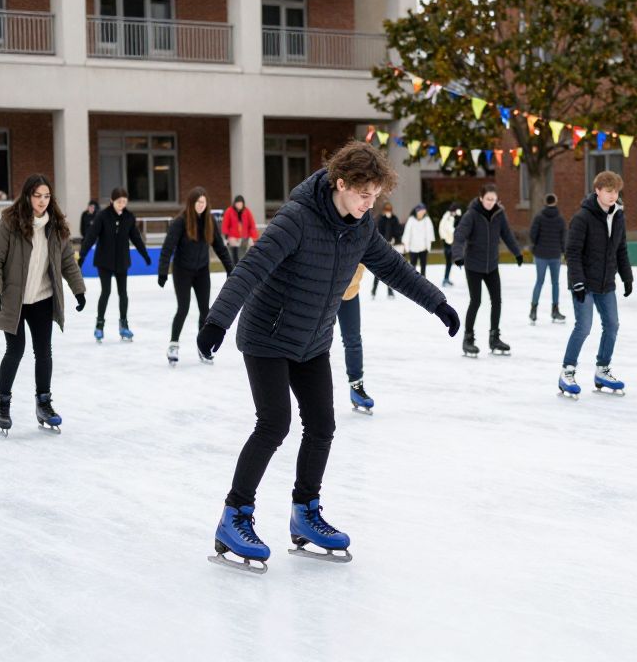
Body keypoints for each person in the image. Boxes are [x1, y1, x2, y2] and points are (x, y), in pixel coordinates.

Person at [195, 140, 459, 570]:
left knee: (322, 425)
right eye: (363, 194)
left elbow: (394, 268)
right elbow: (252, 266)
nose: (369, 203)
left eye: (375, 195)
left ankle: (305, 513)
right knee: (274, 422)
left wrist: (438, 303)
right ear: (341, 184)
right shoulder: (297, 219)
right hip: (268, 336)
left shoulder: (362, 226)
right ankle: (234, 516)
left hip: (313, 340)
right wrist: (217, 321)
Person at [0, 173, 86, 435]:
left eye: (46, 196)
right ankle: (1, 403)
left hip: (42, 298)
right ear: (28, 196)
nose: (42, 201)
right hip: (14, 300)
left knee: (44, 352)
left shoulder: (57, 226)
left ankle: (44, 403)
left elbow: (67, 262)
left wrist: (78, 290)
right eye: (37, 196)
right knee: (15, 350)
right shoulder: (9, 223)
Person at [557, 172, 632, 398]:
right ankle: (567, 371)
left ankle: (602, 370)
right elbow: (573, 252)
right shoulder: (582, 218)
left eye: (616, 192)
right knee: (584, 326)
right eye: (608, 191)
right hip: (584, 283)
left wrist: (627, 277)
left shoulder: (618, 216)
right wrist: (577, 282)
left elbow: (621, 249)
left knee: (612, 325)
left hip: (606, 282)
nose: (612, 196)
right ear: (597, 191)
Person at [158, 187, 233, 366]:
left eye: (203, 202)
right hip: (182, 271)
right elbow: (168, 247)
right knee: (183, 308)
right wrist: (162, 271)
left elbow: (220, 247)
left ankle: (203, 347)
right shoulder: (180, 222)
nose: (201, 205)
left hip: (201, 271)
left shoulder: (210, 221)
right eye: (198, 202)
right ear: (191, 203)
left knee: (205, 310)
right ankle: (173, 345)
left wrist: (231, 268)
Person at [452, 184, 523, 357]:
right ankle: (468, 339)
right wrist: (458, 255)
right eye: (488, 199)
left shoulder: (499, 214)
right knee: (475, 301)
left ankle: (494, 338)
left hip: (491, 265)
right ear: (481, 198)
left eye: (494, 199)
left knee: (497, 301)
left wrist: (517, 253)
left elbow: (507, 234)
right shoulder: (472, 214)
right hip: (474, 266)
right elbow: (460, 235)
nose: (491, 203)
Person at [79, 187, 152, 343]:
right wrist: (82, 256)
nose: (122, 204)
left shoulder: (129, 217)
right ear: (112, 201)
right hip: (104, 261)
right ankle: (99, 325)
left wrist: (145, 255)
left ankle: (123, 325)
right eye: (119, 201)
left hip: (122, 261)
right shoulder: (102, 216)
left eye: (124, 202)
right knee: (106, 292)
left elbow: (136, 238)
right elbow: (91, 236)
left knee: (123, 293)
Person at [337, 265, 373, 413]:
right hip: (323, 291)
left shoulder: (363, 240)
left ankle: (357, 389)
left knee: (353, 341)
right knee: (317, 339)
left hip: (350, 292)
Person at [529, 193, 567, 324]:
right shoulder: (560, 219)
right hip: (555, 255)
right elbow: (564, 238)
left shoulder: (539, 218)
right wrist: (563, 251)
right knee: (555, 283)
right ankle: (555, 310)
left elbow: (533, 235)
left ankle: (533, 310)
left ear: (545, 202)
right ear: (556, 202)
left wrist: (536, 245)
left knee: (539, 282)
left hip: (540, 254)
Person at [371, 202, 402, 298]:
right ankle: (374, 290)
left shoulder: (394, 219)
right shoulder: (381, 219)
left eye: (389, 210)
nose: (388, 212)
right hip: (381, 248)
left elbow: (398, 231)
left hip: (391, 247)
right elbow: (377, 232)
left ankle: (390, 291)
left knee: (390, 270)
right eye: (386, 210)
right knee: (378, 271)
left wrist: (395, 239)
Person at [222, 195, 260, 265]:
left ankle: (240, 270)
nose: (239, 205)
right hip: (233, 238)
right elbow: (225, 224)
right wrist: (226, 237)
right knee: (233, 257)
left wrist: (254, 238)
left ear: (243, 204)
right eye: (237, 203)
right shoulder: (229, 211)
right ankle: (233, 270)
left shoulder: (247, 211)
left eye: (241, 203)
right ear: (234, 203)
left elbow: (252, 225)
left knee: (242, 257)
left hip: (244, 238)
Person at [401, 203, 435, 276]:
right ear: (417, 211)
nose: (422, 213)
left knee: (423, 266)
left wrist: (428, 245)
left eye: (423, 212)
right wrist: (406, 246)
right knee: (413, 267)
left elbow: (430, 233)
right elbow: (407, 233)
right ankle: (413, 282)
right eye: (421, 212)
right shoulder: (411, 220)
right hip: (413, 248)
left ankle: (423, 282)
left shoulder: (427, 220)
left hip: (423, 248)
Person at [438, 202, 462, 287]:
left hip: (449, 242)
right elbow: (448, 229)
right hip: (448, 242)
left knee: (449, 263)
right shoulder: (448, 217)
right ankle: (445, 279)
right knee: (450, 261)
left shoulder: (449, 216)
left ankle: (446, 278)